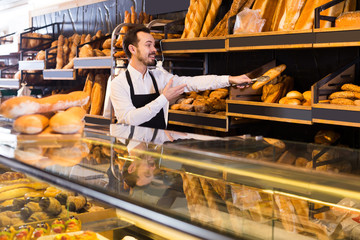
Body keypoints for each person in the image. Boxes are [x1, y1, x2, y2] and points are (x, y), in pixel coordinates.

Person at [110, 26, 252, 129]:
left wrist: (229, 79)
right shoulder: (119, 84)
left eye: (154, 45)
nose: (154, 50)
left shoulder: (158, 75)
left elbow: (191, 82)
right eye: (148, 45)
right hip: (133, 155)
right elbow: (130, 119)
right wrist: (163, 98)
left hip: (157, 151)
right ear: (132, 49)